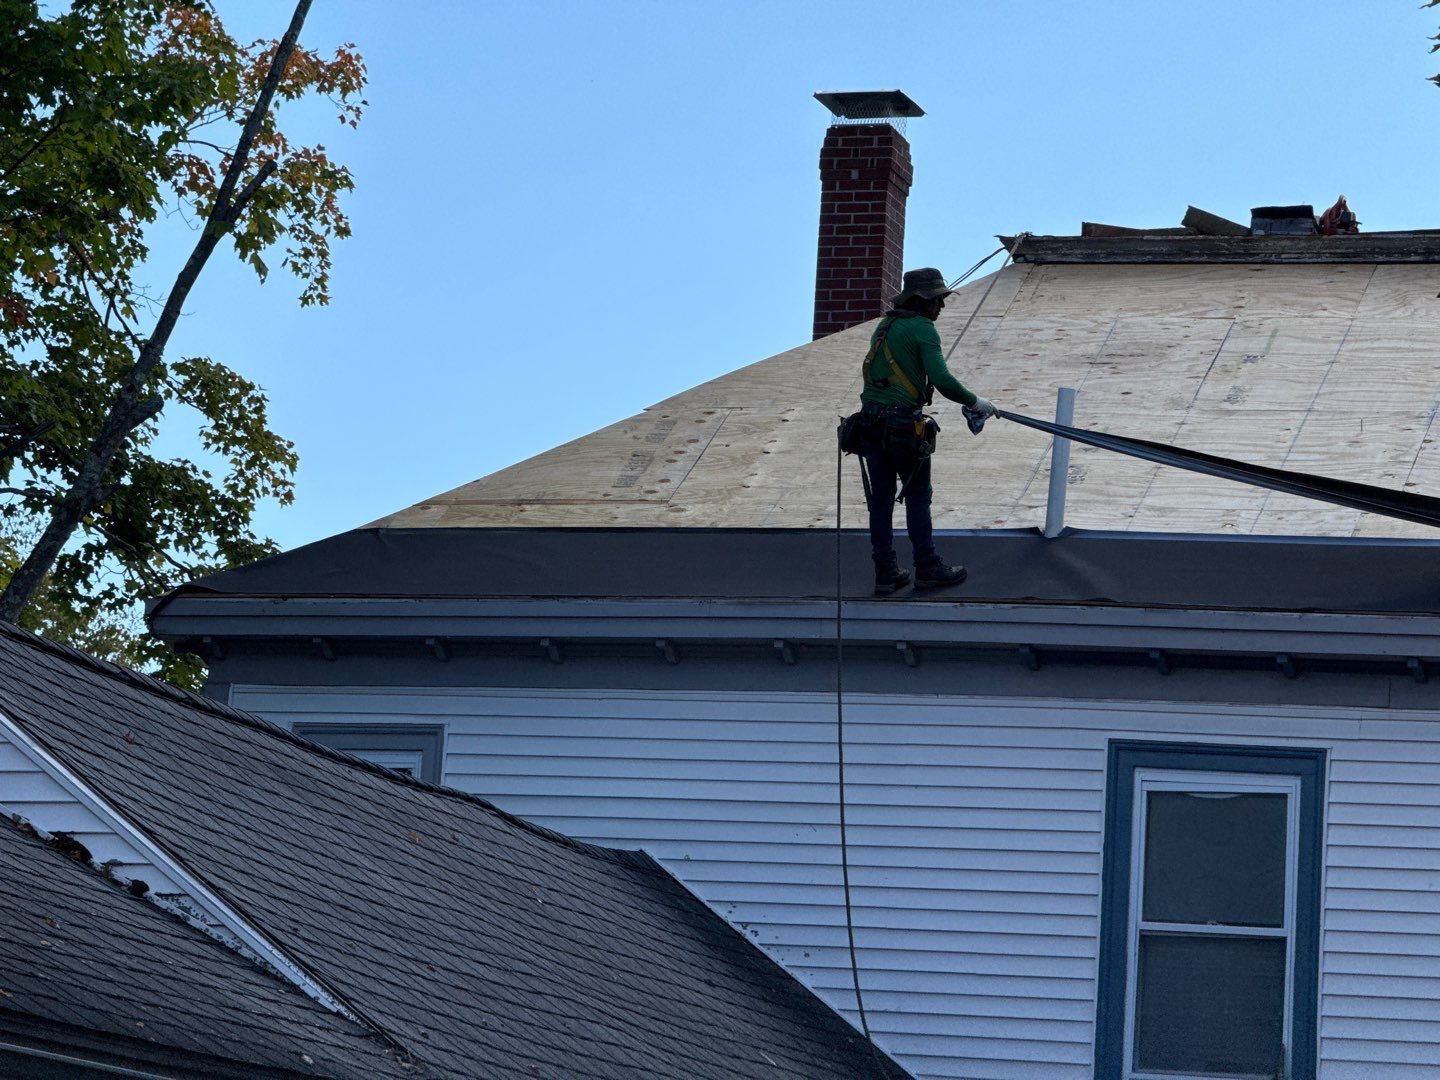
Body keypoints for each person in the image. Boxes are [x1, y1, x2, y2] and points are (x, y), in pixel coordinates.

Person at [858, 267, 997, 596]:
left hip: (870, 424)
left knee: (881, 501)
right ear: (920, 300)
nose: (941, 306)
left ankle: (885, 573)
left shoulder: (885, 326)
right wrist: (976, 402)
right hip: (902, 426)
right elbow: (943, 380)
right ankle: (927, 566)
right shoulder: (922, 329)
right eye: (937, 300)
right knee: (918, 497)